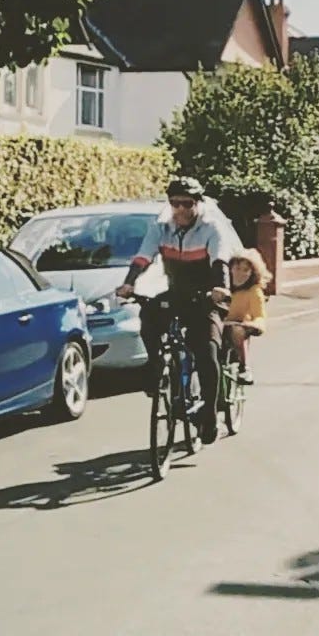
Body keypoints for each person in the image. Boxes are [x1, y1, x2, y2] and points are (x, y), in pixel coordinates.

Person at [116, 176, 232, 445]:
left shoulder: (210, 229)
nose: (180, 210)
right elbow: (144, 257)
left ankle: (210, 413)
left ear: (197, 203)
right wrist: (129, 283)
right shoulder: (161, 228)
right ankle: (156, 365)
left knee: (207, 351)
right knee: (149, 314)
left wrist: (221, 288)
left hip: (207, 296)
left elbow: (220, 261)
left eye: (186, 204)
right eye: (174, 203)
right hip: (177, 293)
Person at [214, 248, 269, 385]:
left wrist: (253, 325)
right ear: (230, 269)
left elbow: (259, 316)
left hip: (237, 328)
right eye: (237, 268)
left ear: (252, 273)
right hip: (216, 325)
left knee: (237, 330)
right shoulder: (221, 287)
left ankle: (244, 368)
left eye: (246, 270)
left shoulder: (254, 291)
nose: (241, 274)